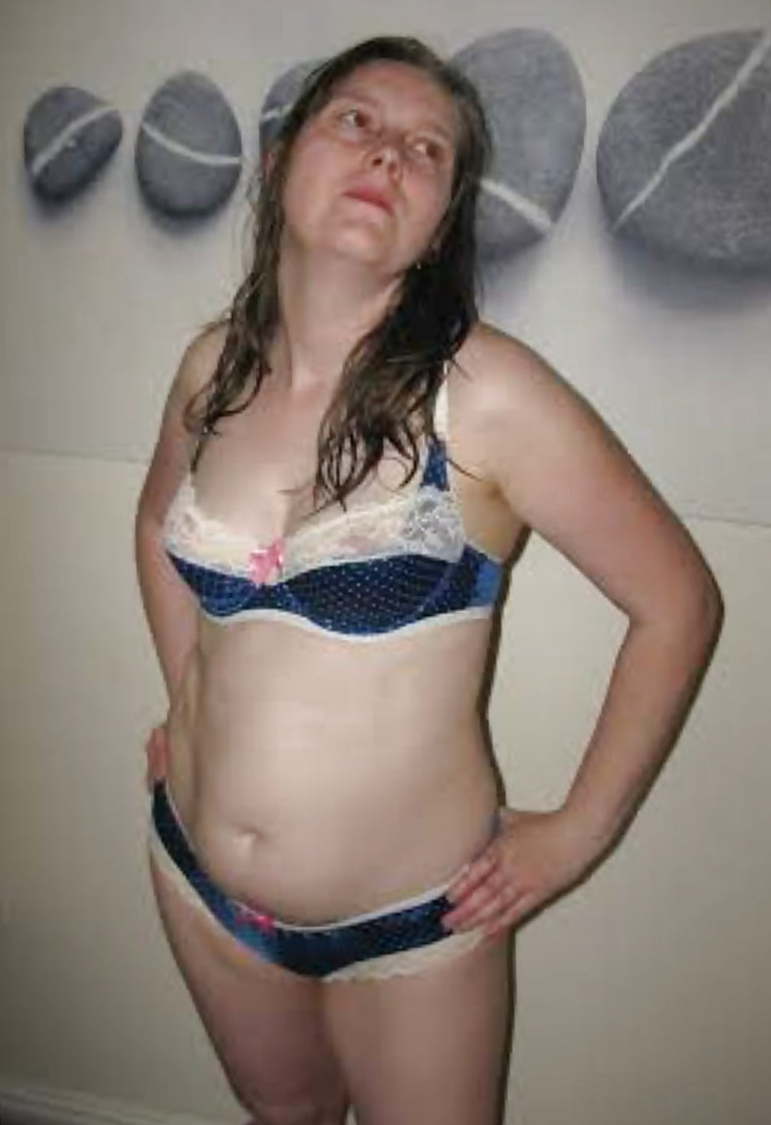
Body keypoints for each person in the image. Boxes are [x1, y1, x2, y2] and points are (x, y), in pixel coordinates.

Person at [134, 35, 722, 1125]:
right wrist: (186, 692)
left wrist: (581, 830)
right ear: (282, 160)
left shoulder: (488, 393)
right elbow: (153, 519)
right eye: (356, 120)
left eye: (427, 150)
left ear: (442, 219)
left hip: (413, 924)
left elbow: (677, 603)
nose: (388, 155)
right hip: (198, 881)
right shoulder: (211, 367)